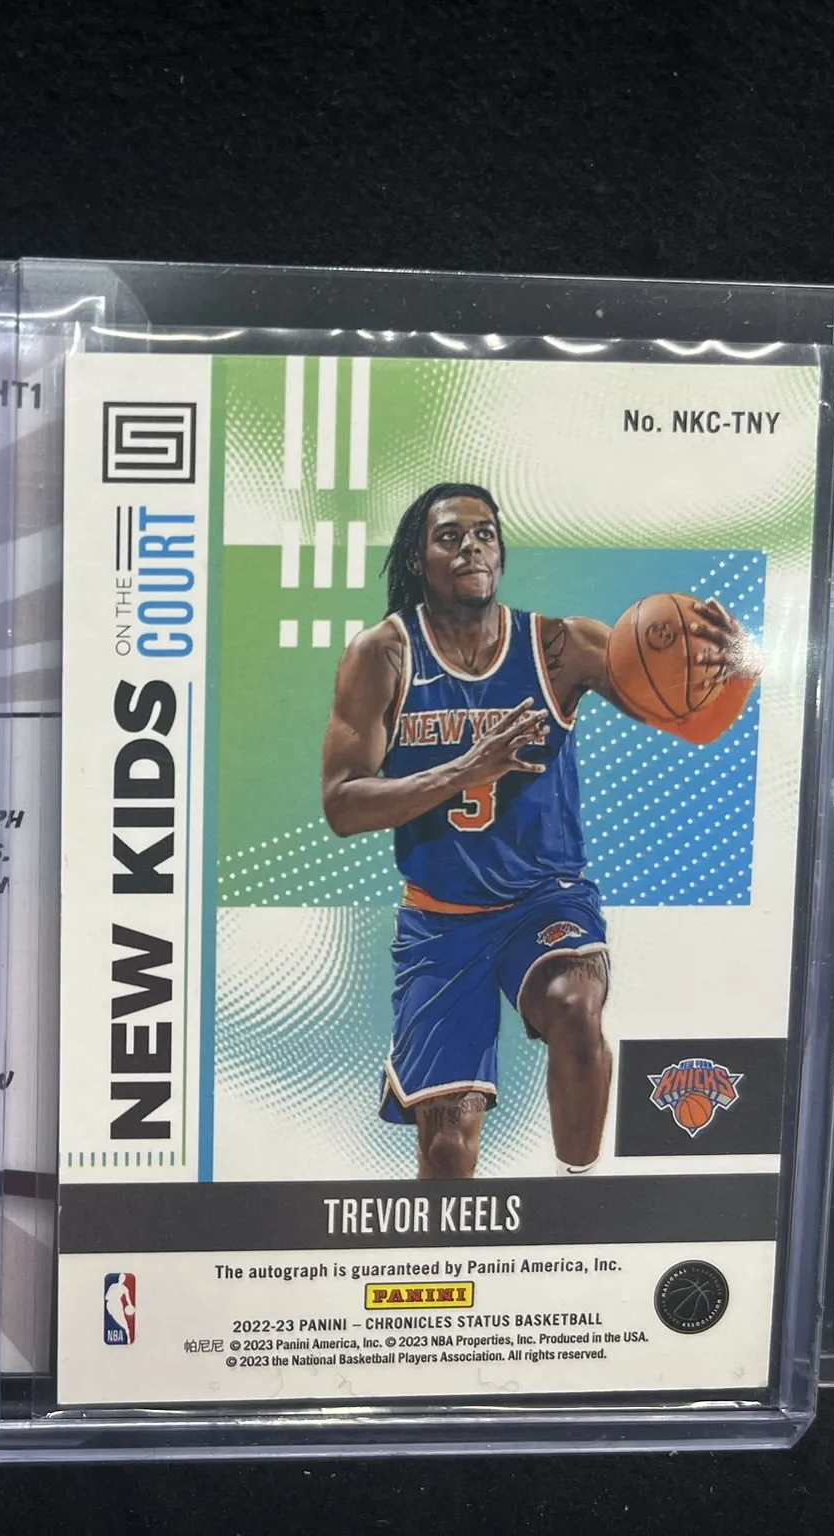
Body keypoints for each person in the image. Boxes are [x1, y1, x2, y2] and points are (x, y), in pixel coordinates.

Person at [319, 483, 755, 1180]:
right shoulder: (384, 655)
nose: (472, 547)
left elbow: (693, 725)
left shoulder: (562, 645)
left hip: (544, 901)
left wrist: (739, 670)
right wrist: (464, 771)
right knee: (446, 1147)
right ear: (419, 558)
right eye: (450, 536)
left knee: (574, 1008)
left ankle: (575, 1198)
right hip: (442, 921)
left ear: (502, 551)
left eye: (485, 534)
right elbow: (343, 806)